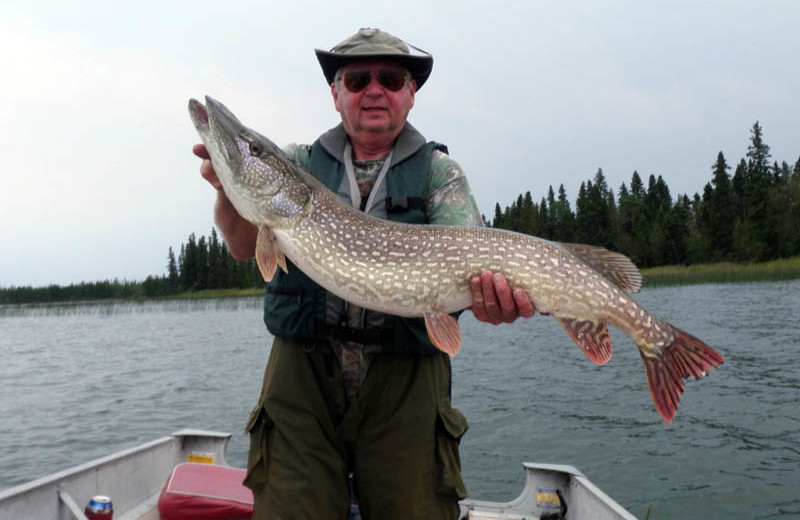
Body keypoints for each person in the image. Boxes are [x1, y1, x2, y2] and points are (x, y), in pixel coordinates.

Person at [193, 28, 535, 520]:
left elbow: (470, 262)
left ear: (410, 93)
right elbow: (243, 245)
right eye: (357, 80)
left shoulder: (441, 175)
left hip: (407, 382)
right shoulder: (296, 165)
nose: (374, 90)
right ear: (336, 94)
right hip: (302, 379)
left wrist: (493, 302)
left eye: (391, 78)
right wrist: (228, 186)